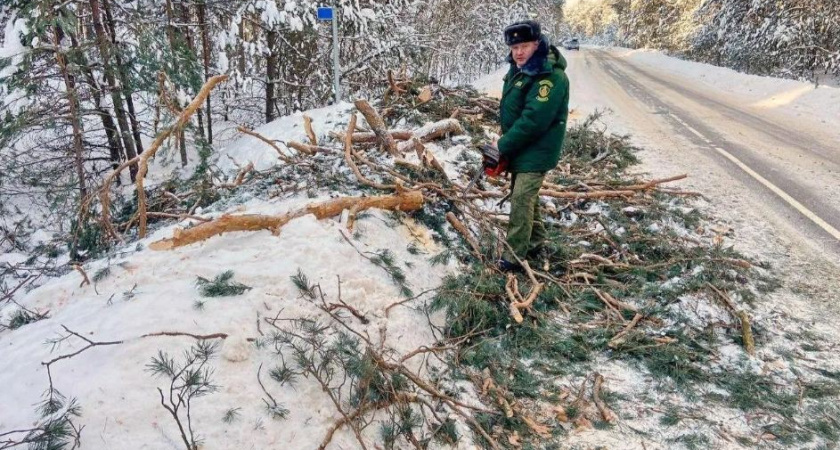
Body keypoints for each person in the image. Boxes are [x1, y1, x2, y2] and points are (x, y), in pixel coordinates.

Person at [494, 20, 570, 272]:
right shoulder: (519, 68)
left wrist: (502, 145)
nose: (518, 52)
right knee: (526, 197)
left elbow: (533, 121)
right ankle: (535, 241)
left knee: (521, 200)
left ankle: (514, 256)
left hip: (537, 149)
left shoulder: (550, 76)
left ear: (537, 44)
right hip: (521, 147)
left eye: (524, 45)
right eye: (514, 47)